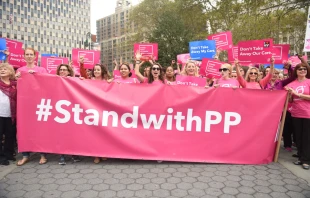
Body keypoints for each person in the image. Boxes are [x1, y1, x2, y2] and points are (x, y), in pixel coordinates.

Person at [17, 48, 48, 166]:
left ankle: (43, 154)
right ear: (24, 56)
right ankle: (25, 155)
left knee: (40, 128)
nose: (29, 56)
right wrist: (17, 78)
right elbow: (15, 85)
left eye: (31, 54)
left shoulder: (41, 69)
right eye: (27, 54)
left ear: (35, 57)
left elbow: (48, 83)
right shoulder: (20, 70)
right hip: (25, 104)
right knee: (24, 128)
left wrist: (37, 75)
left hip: (39, 103)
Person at [285, 63, 310, 170]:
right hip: (296, 113)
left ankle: (306, 160)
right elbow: (290, 100)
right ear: (296, 71)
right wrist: (290, 95)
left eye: (304, 69)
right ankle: (300, 157)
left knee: (307, 137)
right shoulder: (292, 84)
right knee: (298, 137)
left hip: (308, 113)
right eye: (300, 69)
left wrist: (298, 94)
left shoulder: (309, 82)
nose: (302, 70)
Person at [0, 63, 17, 164]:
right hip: (0, 114)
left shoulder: (15, 84)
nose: (2, 70)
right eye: (1, 69)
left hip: (11, 114)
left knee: (10, 135)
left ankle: (8, 154)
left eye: (5, 69)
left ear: (10, 72)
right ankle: (1, 157)